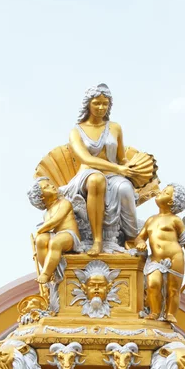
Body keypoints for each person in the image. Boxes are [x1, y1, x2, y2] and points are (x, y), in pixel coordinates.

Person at [61, 83, 141, 256]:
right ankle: (97, 241)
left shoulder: (115, 128)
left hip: (114, 175)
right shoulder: (77, 131)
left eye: (105, 103)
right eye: (96, 103)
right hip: (87, 174)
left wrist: (131, 169)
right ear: (88, 104)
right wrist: (119, 168)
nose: (101, 107)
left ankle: (132, 237)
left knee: (126, 188)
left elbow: (122, 157)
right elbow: (87, 158)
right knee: (96, 180)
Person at [134, 183, 185, 323]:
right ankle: (155, 312)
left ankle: (170, 313)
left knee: (173, 290)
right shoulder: (151, 220)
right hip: (155, 259)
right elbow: (140, 237)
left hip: (175, 258)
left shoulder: (175, 220)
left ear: (171, 202)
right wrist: (140, 243)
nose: (160, 192)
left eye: (165, 192)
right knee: (153, 284)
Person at [27, 177, 81, 284]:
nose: (52, 185)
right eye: (47, 187)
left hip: (70, 235)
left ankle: (46, 274)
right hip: (57, 234)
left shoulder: (64, 203)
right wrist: (39, 236)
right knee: (41, 240)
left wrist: (39, 231)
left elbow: (55, 221)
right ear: (42, 197)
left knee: (55, 242)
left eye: (50, 184)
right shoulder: (46, 214)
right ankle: (49, 271)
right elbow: (48, 228)